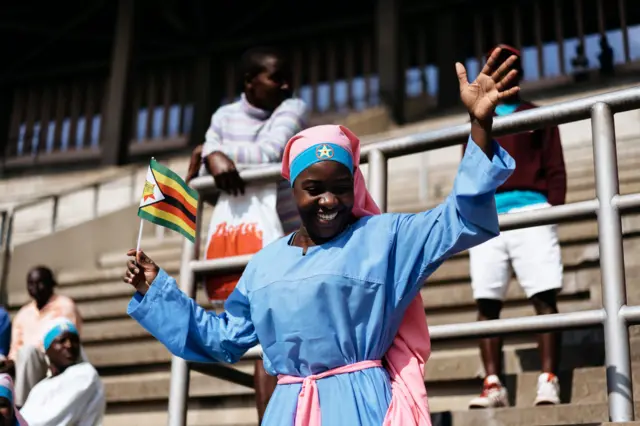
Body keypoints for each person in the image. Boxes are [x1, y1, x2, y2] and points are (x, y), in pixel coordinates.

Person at [124, 48, 519, 425]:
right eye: (314, 189)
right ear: (293, 190)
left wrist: (480, 127)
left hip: (362, 406)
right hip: (286, 412)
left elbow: (460, 217)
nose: (329, 199)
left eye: (341, 186)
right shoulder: (265, 264)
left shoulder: (387, 238)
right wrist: (156, 287)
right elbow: (222, 339)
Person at [184, 46, 308, 422]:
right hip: (248, 240)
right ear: (249, 82)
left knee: (276, 330)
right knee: (259, 330)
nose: (286, 83)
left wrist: (211, 149)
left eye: (287, 75)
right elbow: (205, 178)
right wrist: (214, 158)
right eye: (276, 77)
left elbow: (271, 153)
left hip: (290, 238)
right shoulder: (224, 114)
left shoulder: (293, 108)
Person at [466, 44, 566, 409]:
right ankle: (493, 383)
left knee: (543, 295)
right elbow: (469, 169)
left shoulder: (537, 115)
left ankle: (549, 379)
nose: (505, 74)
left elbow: (555, 166)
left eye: (511, 67)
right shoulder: (478, 120)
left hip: (532, 212)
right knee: (487, 300)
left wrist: (552, 208)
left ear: (520, 73)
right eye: (497, 67)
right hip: (488, 216)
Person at [1, 267, 82, 407]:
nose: (35, 288)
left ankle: (21, 410)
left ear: (52, 284)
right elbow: (15, 348)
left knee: (28, 352)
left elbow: (68, 342)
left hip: (55, 363)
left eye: (40, 283)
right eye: (31, 283)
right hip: (25, 366)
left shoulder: (64, 306)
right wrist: (9, 363)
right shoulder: (23, 314)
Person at [20, 318, 105, 426]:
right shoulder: (40, 388)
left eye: (74, 341)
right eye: (62, 341)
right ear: (48, 349)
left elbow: (50, 420)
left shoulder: (85, 374)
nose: (69, 345)